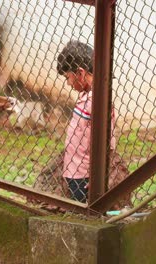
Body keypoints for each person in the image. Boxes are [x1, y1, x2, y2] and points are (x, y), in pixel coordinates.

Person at [56, 40, 117, 203]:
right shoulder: (87, 96)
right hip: (75, 173)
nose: (68, 83)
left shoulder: (97, 100)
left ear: (80, 73)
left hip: (85, 177)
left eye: (68, 77)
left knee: (87, 211)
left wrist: (99, 176)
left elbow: (107, 142)